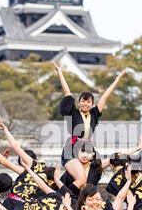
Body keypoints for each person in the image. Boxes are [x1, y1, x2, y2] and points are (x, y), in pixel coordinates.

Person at [54, 61, 126, 193]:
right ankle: (64, 197)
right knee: (81, 180)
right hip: (72, 148)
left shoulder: (94, 114)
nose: (85, 104)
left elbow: (105, 97)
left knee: (86, 181)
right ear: (79, 102)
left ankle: (79, 200)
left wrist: (117, 80)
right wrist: (60, 73)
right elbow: (67, 92)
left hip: (87, 148)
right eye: (83, 101)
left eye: (88, 102)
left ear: (92, 104)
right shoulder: (74, 113)